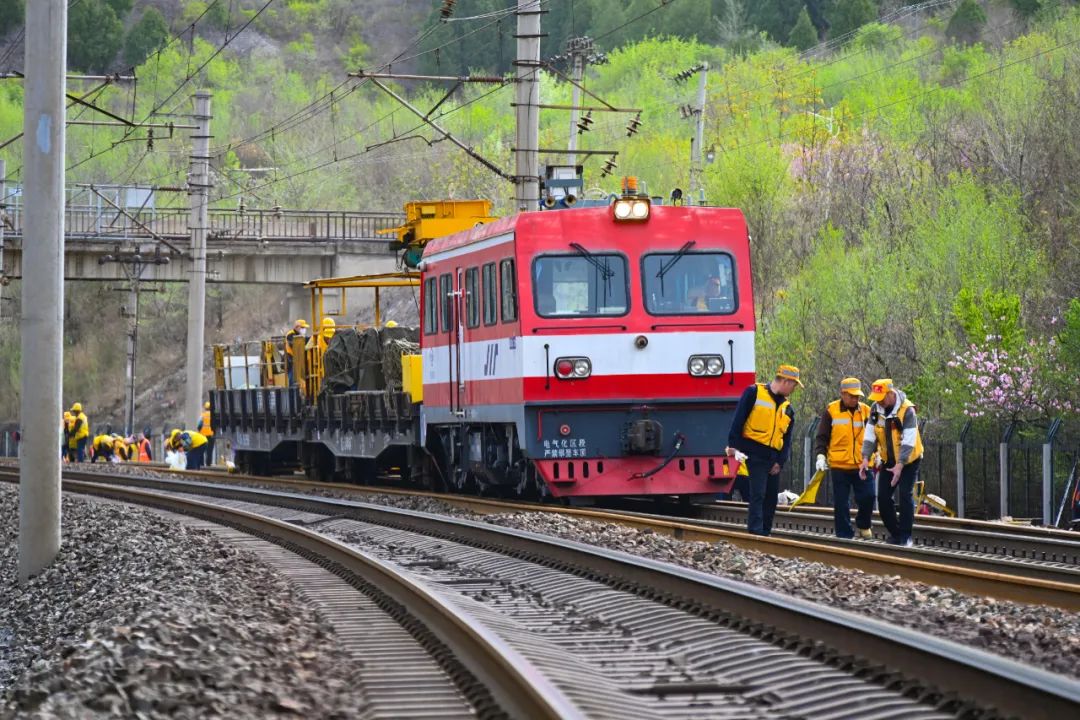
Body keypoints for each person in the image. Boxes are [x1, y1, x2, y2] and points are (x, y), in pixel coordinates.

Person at [727, 364, 802, 536]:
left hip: (773, 458)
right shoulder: (753, 393)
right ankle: (756, 532)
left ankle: (766, 532)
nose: (794, 389)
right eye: (793, 385)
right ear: (785, 381)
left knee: (770, 498)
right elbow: (738, 420)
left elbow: (786, 440)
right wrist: (734, 447)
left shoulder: (788, 409)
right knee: (758, 494)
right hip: (753, 454)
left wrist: (780, 462)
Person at [859, 379, 924, 547]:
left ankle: (906, 536)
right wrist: (865, 458)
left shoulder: (907, 410)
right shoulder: (875, 409)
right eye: (876, 398)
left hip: (908, 460)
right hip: (888, 460)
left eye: (881, 397)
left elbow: (909, 441)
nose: (878, 401)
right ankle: (896, 533)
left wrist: (900, 465)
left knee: (905, 495)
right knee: (883, 497)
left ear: (890, 393)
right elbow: (870, 436)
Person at [814, 377, 874, 540]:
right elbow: (822, 437)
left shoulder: (867, 411)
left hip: (862, 464)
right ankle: (844, 536)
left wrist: (876, 454)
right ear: (842, 394)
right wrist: (821, 456)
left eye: (857, 396)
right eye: (852, 396)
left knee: (868, 496)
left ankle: (863, 524)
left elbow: (875, 436)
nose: (855, 399)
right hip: (839, 465)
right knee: (841, 503)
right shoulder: (831, 411)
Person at [284, 319, 309, 384]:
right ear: (297, 327)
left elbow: (306, 340)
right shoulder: (290, 334)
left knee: (300, 382)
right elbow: (295, 344)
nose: (304, 329)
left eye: (304, 328)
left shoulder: (301, 336)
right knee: (293, 380)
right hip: (291, 360)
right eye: (302, 327)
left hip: (298, 361)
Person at [199, 401, 215, 466]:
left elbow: (199, 425)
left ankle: (202, 464)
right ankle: (208, 464)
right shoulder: (214, 415)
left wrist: (200, 431)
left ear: (205, 408)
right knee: (209, 450)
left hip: (203, 435)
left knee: (202, 450)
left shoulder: (202, 415)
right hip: (211, 435)